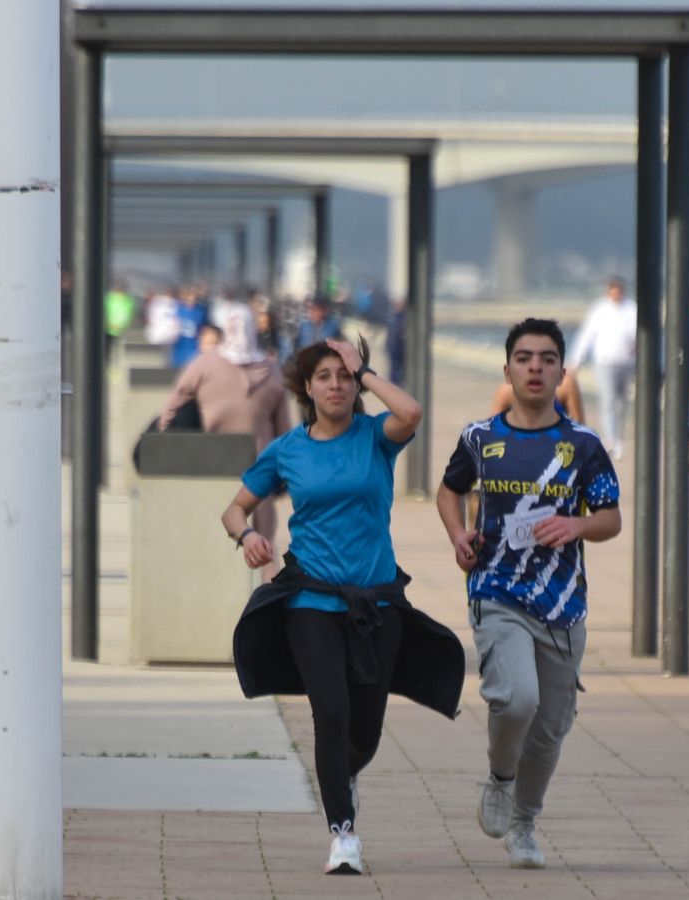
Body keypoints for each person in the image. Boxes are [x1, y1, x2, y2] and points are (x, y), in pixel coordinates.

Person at [222, 337, 464, 875]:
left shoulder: (376, 438)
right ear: (306, 388)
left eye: (345, 377)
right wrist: (247, 539)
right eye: (325, 377)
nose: (336, 385)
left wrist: (368, 370)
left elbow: (412, 412)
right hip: (310, 599)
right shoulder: (288, 449)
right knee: (330, 713)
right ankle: (343, 834)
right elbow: (236, 510)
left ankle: (344, 774)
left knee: (365, 727)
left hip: (376, 602)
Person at [436, 318, 622, 870]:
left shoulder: (583, 446)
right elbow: (450, 493)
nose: (535, 368)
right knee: (517, 698)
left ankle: (524, 823)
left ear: (562, 372)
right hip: (497, 591)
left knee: (549, 730)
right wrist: (457, 536)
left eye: (545, 359)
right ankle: (499, 776)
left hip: (564, 608)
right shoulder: (480, 437)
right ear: (508, 369)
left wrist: (577, 527)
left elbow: (611, 517)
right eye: (524, 358)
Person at [161, 302, 292, 558]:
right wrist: (286, 474)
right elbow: (284, 429)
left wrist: (167, 445)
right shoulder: (272, 370)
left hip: (210, 462)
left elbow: (172, 408)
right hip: (260, 467)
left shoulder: (204, 364)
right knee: (261, 540)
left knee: (214, 539)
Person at [568, 276, 636, 458]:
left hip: (625, 363)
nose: (615, 293)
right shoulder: (599, 310)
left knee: (622, 403)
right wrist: (576, 361)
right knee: (608, 401)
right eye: (612, 289)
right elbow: (587, 335)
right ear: (608, 291)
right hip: (604, 362)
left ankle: (619, 437)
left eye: (618, 289)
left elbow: (637, 335)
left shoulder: (631, 309)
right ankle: (610, 440)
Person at [169, 287, 211, 369]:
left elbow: (204, 326)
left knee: (193, 366)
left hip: (194, 344)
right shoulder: (178, 310)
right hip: (180, 344)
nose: (192, 300)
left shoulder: (200, 311)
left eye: (194, 298)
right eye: (189, 297)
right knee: (179, 367)